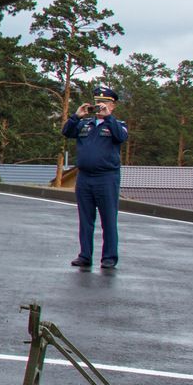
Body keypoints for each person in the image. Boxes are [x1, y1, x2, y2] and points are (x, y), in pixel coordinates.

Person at [62, 85, 129, 270]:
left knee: (108, 219)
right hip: (84, 177)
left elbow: (121, 137)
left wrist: (108, 117)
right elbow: (66, 132)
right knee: (85, 219)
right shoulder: (85, 124)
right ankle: (85, 255)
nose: (100, 106)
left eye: (105, 103)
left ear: (113, 105)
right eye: (98, 102)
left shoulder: (118, 124)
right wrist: (77, 116)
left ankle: (109, 257)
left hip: (106, 177)